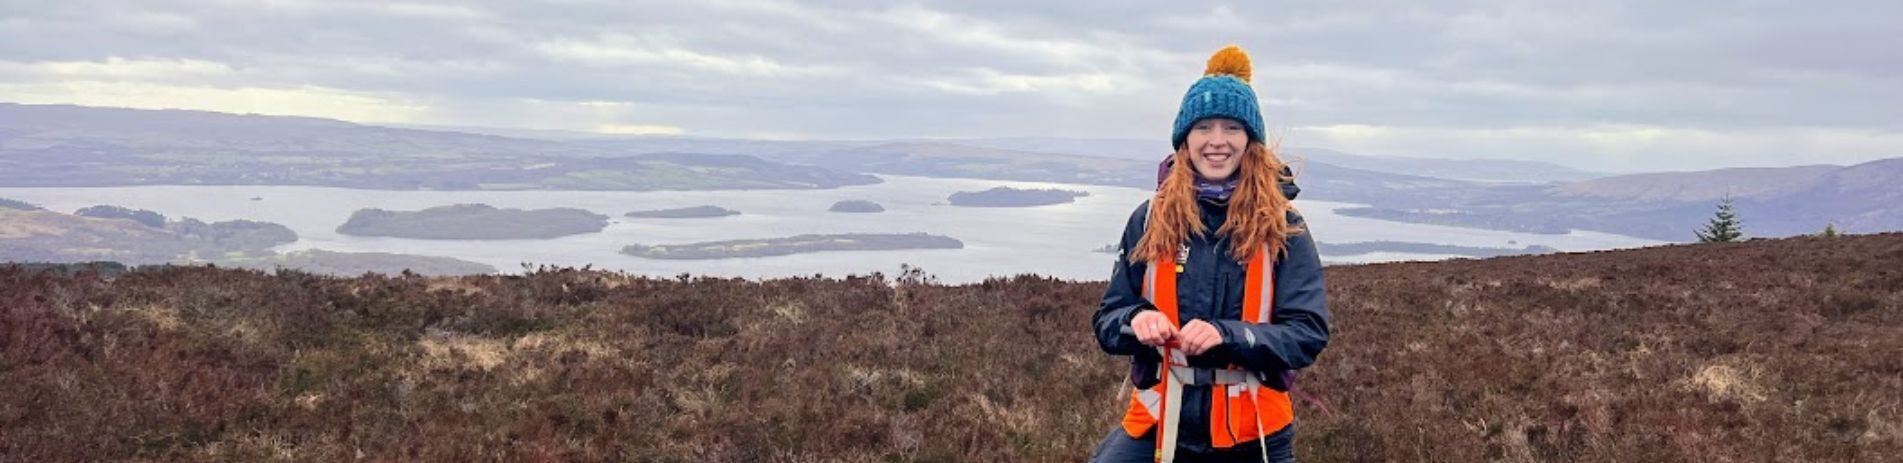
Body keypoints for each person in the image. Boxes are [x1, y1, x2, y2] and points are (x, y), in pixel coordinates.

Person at [1089, 45, 1331, 463]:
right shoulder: (1148, 219)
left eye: (1231, 128)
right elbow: (1108, 321)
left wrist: (1228, 335)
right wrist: (1134, 320)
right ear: (1185, 139)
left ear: (1250, 140)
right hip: (1160, 420)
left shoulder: (1285, 226)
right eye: (1204, 128)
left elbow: (1308, 334)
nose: (1217, 141)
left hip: (1253, 432)